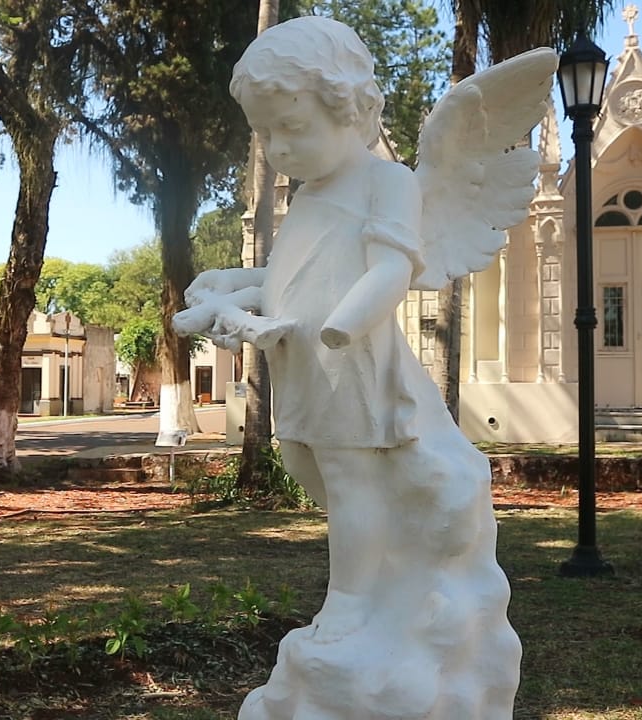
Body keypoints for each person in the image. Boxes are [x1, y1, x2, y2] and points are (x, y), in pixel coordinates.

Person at [176, 16, 523, 720]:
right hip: (300, 359)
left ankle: (353, 599)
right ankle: (381, 571)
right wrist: (227, 284)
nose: (278, 149)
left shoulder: (387, 182)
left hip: (352, 360)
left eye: (292, 128)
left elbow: (393, 268)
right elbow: (284, 276)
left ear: (348, 107)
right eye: (266, 135)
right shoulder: (308, 193)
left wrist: (342, 325)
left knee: (349, 475)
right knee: (307, 464)